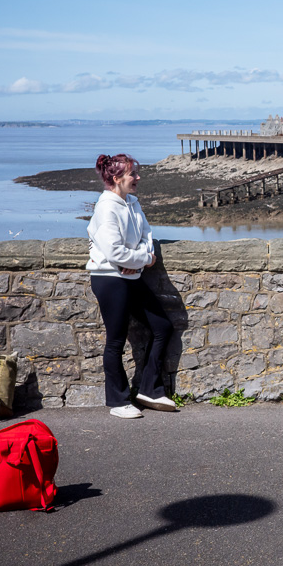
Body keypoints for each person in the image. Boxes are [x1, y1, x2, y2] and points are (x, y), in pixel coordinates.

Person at [87, 154, 176, 419]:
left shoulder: (133, 203)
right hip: (109, 280)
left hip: (131, 277)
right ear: (116, 179)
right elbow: (114, 252)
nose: (137, 178)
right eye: (132, 174)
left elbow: (147, 237)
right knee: (115, 341)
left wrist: (139, 260)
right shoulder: (106, 208)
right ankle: (118, 401)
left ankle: (149, 389)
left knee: (163, 327)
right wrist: (142, 260)